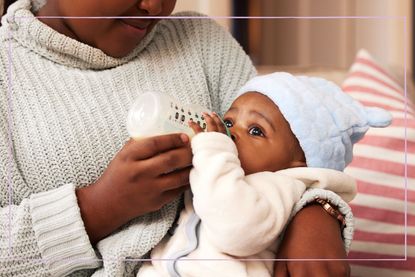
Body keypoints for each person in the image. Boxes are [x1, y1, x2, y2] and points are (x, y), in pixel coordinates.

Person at [0, 0, 353, 276]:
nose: (155, 7)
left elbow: (286, 149)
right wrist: (97, 208)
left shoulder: (201, 42)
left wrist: (318, 213)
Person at [136, 72, 391, 276]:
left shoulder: (278, 186)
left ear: (297, 164)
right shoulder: (222, 171)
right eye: (228, 122)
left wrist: (212, 150)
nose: (231, 134)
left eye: (256, 131)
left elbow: (235, 232)